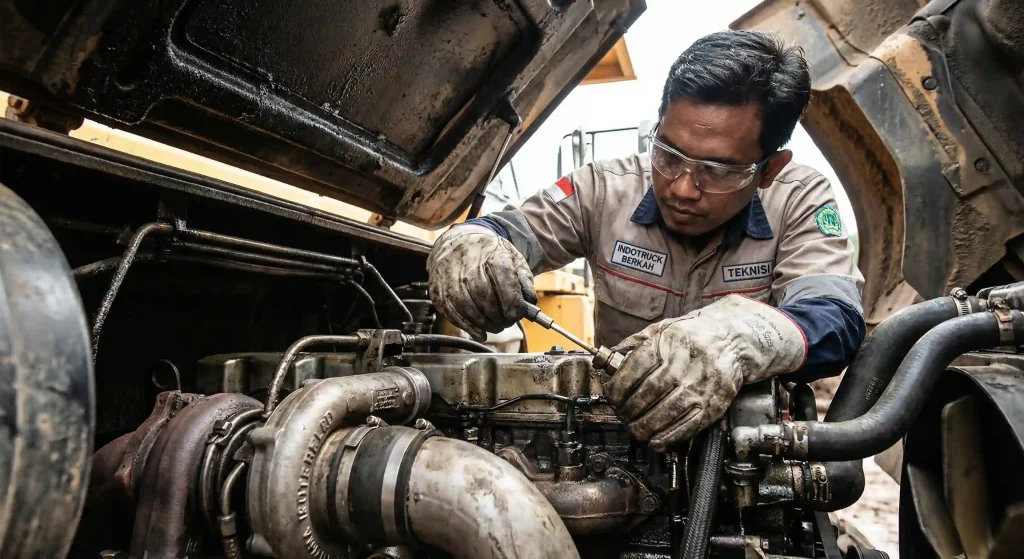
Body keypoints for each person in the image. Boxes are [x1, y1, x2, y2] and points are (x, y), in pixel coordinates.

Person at [426, 30, 865, 451]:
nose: (682, 188)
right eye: (668, 154)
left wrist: (736, 336)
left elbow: (836, 319)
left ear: (769, 170)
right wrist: (468, 241)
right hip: (617, 441)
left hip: (744, 453)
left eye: (717, 170)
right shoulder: (603, 189)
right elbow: (505, 231)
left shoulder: (799, 199)